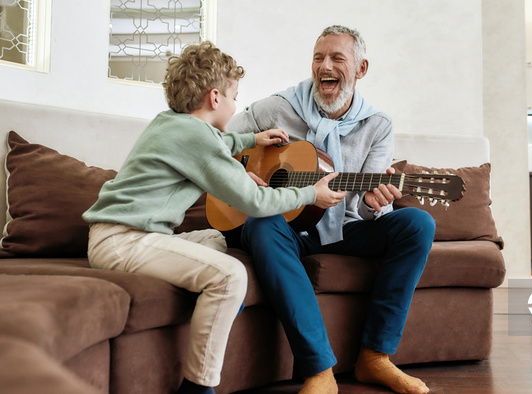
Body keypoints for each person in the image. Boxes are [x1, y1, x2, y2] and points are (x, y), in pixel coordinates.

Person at [82, 41, 346, 394]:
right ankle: (198, 388)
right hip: (124, 242)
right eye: (235, 97)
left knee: (218, 240)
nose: (237, 105)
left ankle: (216, 313)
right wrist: (313, 193)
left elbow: (213, 142)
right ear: (215, 98)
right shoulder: (196, 139)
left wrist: (251, 138)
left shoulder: (171, 123)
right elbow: (254, 199)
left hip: (124, 237)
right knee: (230, 276)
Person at [229, 25, 435, 394]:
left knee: (418, 223)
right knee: (261, 225)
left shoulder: (378, 125)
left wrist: (376, 204)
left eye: (337, 58)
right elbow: (220, 144)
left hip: (346, 227)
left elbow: (369, 199)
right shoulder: (278, 107)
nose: (325, 65)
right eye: (318, 58)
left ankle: (375, 358)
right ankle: (319, 371)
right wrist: (243, 176)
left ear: (361, 68)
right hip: (290, 228)